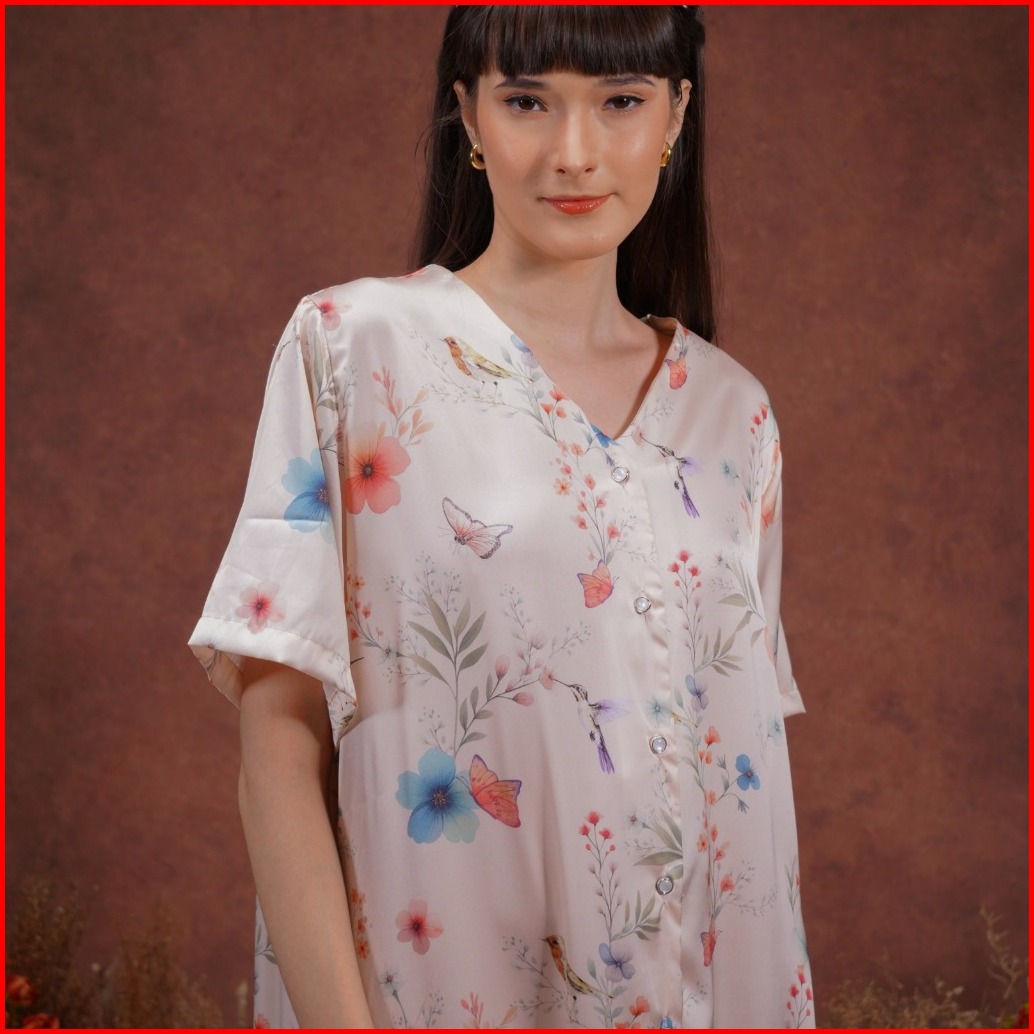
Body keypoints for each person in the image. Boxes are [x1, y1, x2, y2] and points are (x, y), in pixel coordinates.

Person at [189, 6, 813, 1028]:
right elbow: (279, 751)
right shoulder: (354, 349)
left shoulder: (732, 414)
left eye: (620, 102)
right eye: (527, 102)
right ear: (468, 117)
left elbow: (740, 776)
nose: (574, 153)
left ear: (674, 116)